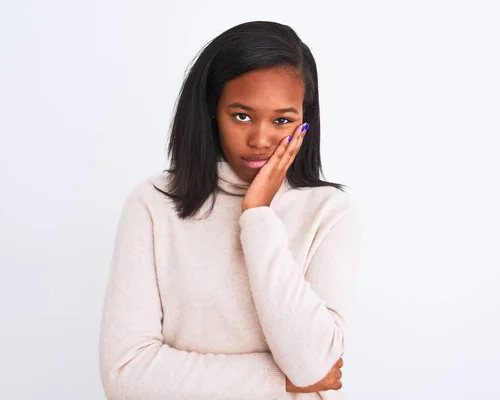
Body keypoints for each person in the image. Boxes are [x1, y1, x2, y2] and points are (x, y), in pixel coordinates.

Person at [99, 20, 362, 399]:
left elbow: (312, 364)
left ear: (305, 120)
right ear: (211, 111)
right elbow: (126, 377)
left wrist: (257, 215)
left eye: (283, 120)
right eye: (241, 116)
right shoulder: (154, 204)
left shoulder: (330, 214)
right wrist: (278, 382)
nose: (260, 139)